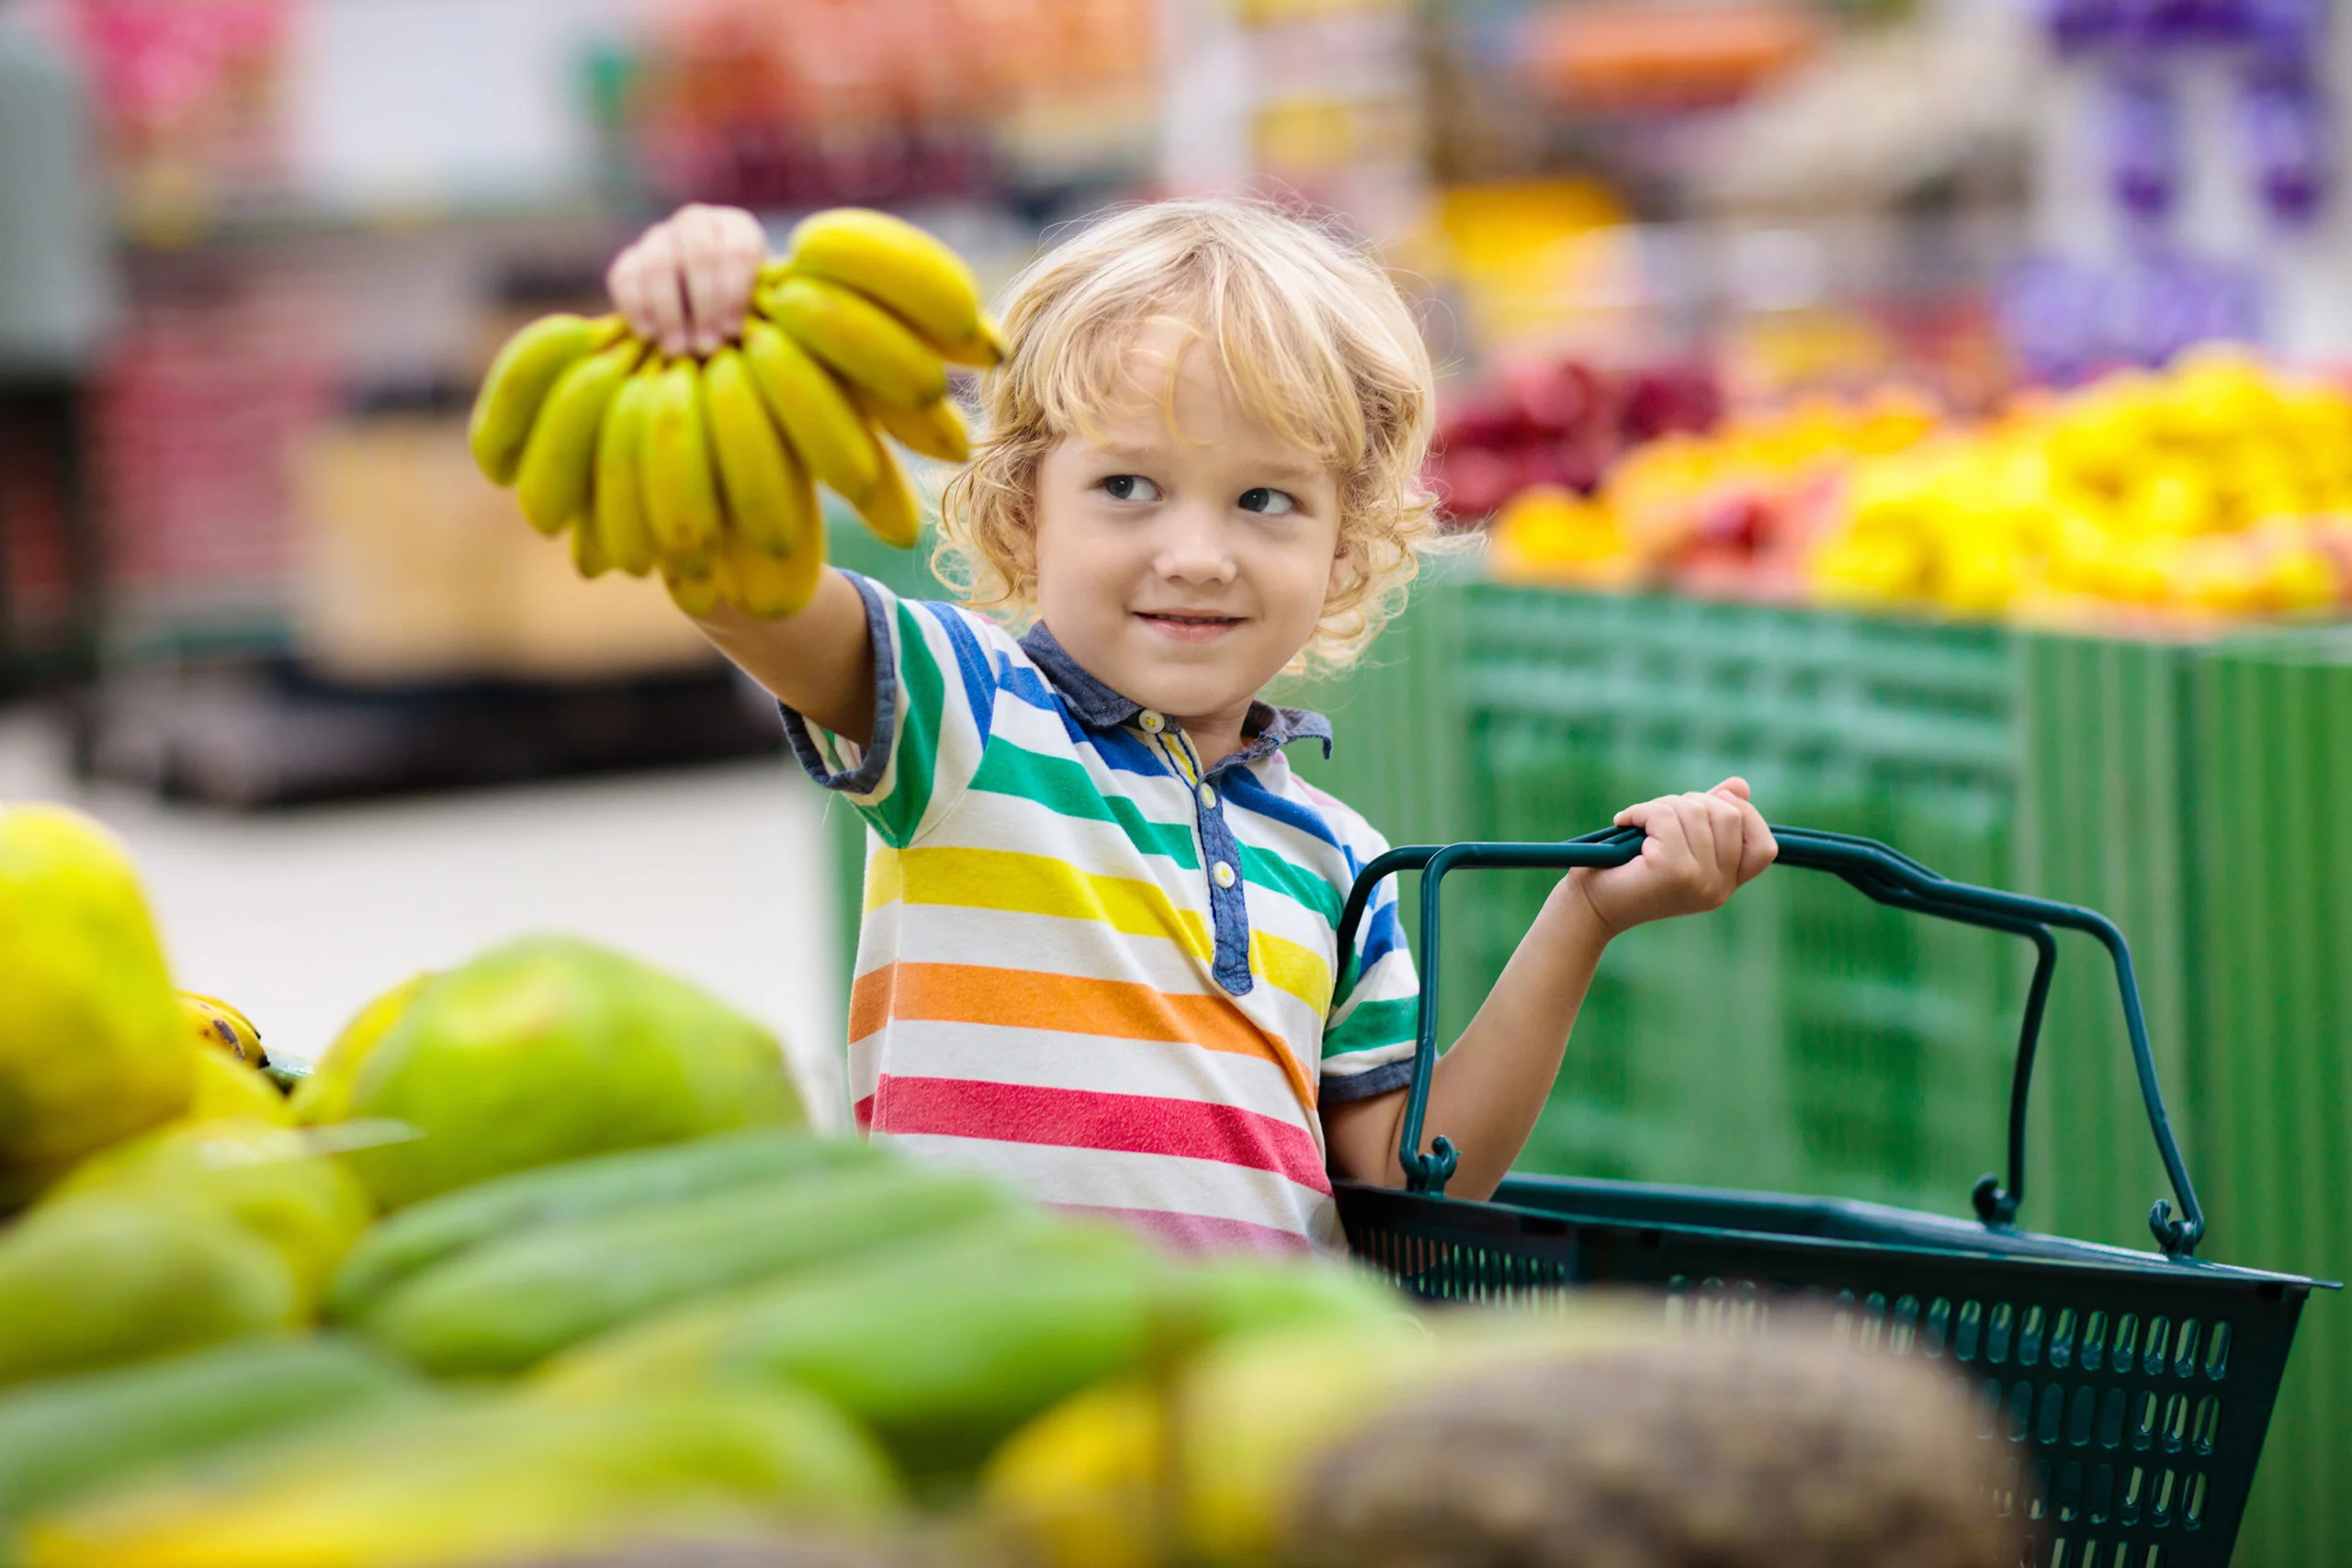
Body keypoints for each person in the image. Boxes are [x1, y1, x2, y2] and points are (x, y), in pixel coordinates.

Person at [605, 199, 1777, 1255]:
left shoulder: (1336, 862)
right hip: (993, 1404)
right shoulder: (962, 716)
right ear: (1022, 514)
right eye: (1128, 488)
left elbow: (1414, 1188)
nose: (1198, 555)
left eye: (1266, 499)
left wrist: (1583, 918)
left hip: (1244, 1418)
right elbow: (733, 580)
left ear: (1345, 552)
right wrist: (706, 348)